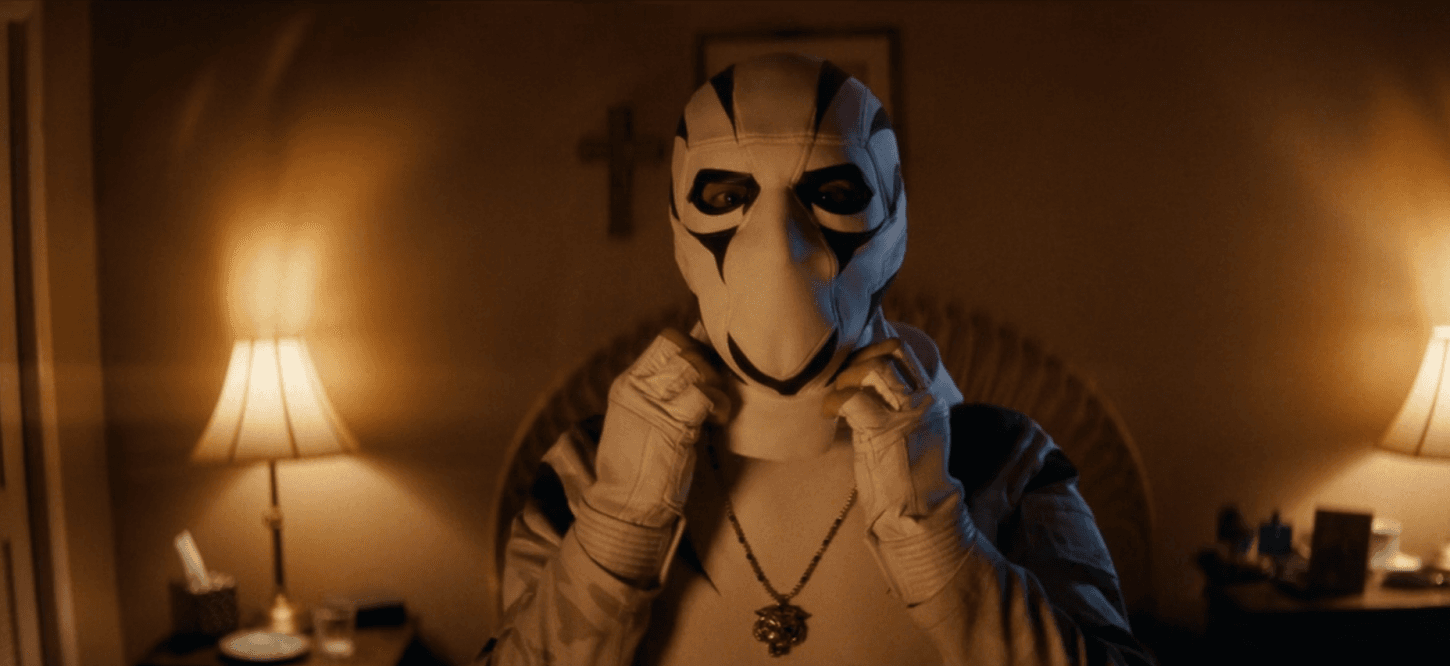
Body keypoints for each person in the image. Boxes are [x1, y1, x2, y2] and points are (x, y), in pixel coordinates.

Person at [475, 53, 1152, 666]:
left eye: (832, 196)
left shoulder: (1004, 463)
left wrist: (938, 540)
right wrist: (618, 525)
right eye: (726, 197)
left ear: (893, 217)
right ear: (680, 225)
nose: (779, 242)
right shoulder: (583, 475)